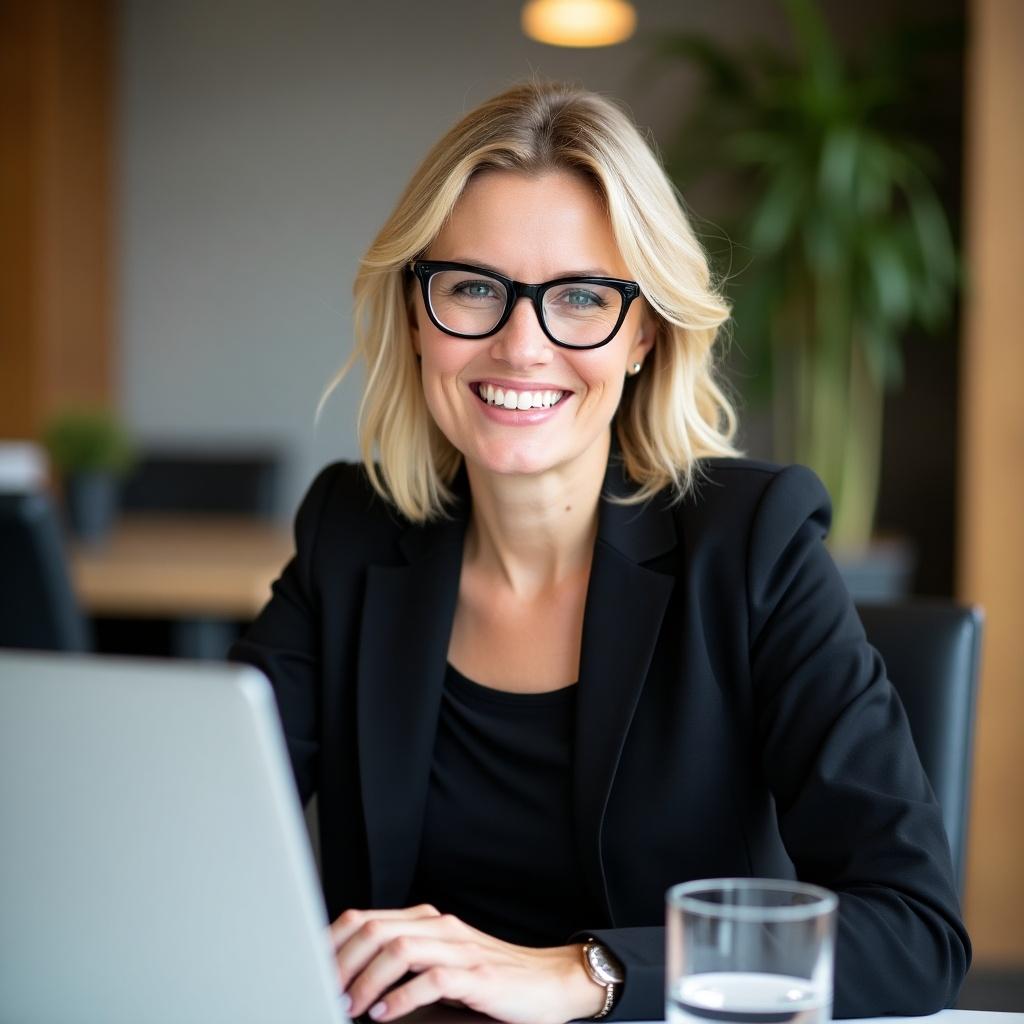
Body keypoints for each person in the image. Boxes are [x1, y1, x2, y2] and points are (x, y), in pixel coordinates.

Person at [230, 80, 969, 1023]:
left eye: (581, 297)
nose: (520, 344)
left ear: (644, 333)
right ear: (416, 314)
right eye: (472, 288)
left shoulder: (751, 547)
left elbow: (912, 932)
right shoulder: (350, 531)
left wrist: (581, 973)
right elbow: (200, 836)